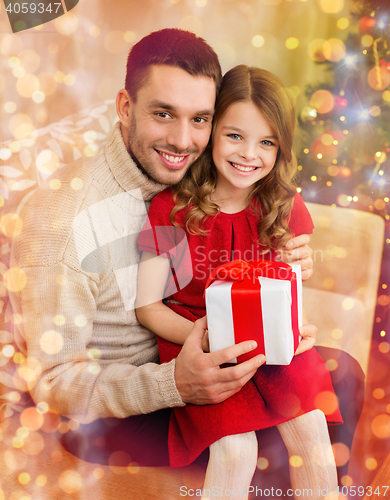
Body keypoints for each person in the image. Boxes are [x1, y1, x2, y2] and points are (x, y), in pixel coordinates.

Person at [9, 29, 363, 474]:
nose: (182, 141)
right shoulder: (61, 218)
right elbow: (52, 380)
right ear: (125, 106)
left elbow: (247, 228)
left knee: (342, 377)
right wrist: (173, 385)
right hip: (121, 404)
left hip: (206, 349)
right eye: (163, 114)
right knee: (255, 444)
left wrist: (293, 264)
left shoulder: (197, 174)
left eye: (199, 119)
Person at [135, 65, 342, 499]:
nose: (249, 154)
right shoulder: (171, 210)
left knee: (311, 426)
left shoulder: (282, 204)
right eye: (234, 136)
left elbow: (291, 288)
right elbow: (148, 306)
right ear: (210, 132)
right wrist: (207, 338)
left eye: (266, 142)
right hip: (200, 340)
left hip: (268, 340)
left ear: (280, 147)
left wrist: (296, 315)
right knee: (234, 450)